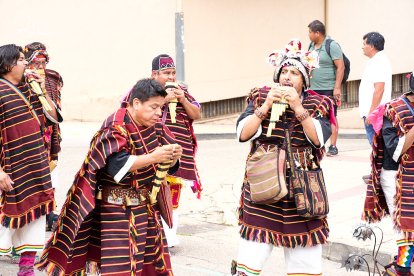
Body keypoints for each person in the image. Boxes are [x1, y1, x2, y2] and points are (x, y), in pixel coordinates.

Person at [37, 78, 183, 275]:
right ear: (137, 103)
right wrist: (153, 157)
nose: (158, 113)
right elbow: (116, 165)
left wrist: (172, 157)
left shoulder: (155, 125)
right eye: (154, 107)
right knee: (121, 268)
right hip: (117, 210)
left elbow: (168, 165)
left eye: (161, 108)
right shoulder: (116, 126)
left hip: (146, 207)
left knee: (151, 266)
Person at [232, 39, 334, 276]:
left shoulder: (319, 103)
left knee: (305, 266)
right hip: (263, 187)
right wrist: (266, 106)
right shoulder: (260, 97)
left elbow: (318, 140)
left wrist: (298, 107)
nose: (287, 77)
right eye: (284, 72)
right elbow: (243, 134)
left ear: (304, 80)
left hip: (303, 190)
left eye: (294, 73)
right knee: (249, 260)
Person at [0, 44, 59, 275]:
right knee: (6, 221)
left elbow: (53, 117)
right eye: (22, 60)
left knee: (35, 216)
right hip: (9, 166)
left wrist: (42, 90)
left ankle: (26, 269)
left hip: (35, 164)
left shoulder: (31, 88)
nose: (27, 63)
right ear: (7, 65)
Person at [362, 71, 414, 276]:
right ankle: (401, 267)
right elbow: (395, 152)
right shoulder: (394, 110)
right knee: (406, 224)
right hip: (397, 176)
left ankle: (401, 266)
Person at [150, 54, 202, 247]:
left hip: (179, 153)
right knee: (153, 194)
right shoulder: (146, 89)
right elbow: (133, 109)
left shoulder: (182, 92)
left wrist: (183, 100)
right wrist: (163, 100)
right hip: (154, 149)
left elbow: (196, 114)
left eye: (173, 73)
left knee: (173, 195)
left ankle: (169, 237)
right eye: (166, 73)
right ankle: (153, 236)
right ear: (154, 74)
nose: (171, 77)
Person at [24, 42, 64, 231]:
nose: (40, 68)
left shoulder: (52, 80)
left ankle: (48, 213)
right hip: (25, 138)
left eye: (43, 64)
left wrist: (44, 91)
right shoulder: (17, 80)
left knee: (50, 177)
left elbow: (55, 115)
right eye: (35, 64)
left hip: (47, 136)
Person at [308, 20, 345, 156]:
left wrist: (337, 88)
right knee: (314, 116)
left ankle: (333, 146)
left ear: (317, 33)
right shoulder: (311, 46)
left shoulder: (332, 45)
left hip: (328, 88)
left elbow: (341, 67)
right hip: (313, 88)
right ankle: (317, 144)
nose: (309, 35)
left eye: (310, 32)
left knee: (331, 116)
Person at [359, 32, 392, 146]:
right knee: (377, 147)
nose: (362, 47)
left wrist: (372, 113)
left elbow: (379, 89)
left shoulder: (379, 62)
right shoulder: (375, 60)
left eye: (364, 44)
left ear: (372, 46)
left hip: (375, 113)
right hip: (373, 112)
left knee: (377, 148)